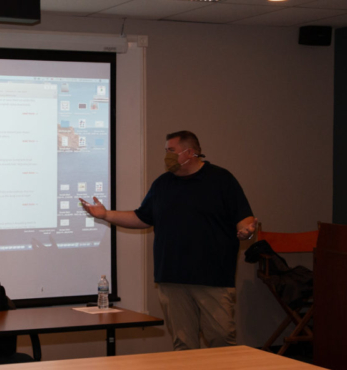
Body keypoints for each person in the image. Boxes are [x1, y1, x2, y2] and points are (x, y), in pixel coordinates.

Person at [80, 131, 256, 350]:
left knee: (221, 340)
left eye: (172, 151)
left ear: (190, 152)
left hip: (213, 277)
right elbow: (142, 217)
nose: (167, 156)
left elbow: (244, 217)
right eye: (166, 151)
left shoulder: (221, 180)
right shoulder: (162, 184)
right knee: (183, 344)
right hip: (172, 278)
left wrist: (246, 231)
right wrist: (106, 215)